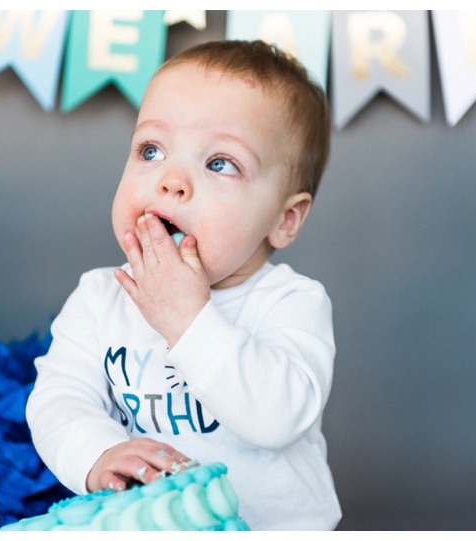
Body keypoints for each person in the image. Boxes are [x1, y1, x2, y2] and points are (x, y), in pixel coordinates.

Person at [26, 40, 340, 530]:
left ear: (285, 218)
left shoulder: (291, 303)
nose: (172, 180)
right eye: (151, 150)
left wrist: (187, 318)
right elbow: (59, 398)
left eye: (220, 163)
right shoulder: (101, 296)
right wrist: (99, 453)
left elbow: (277, 417)